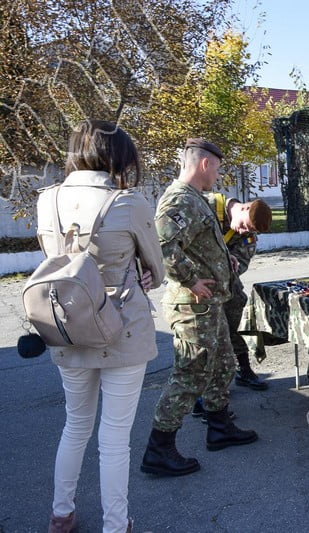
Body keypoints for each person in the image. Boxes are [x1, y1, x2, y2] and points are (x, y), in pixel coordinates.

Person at [37, 120, 165, 533]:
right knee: (114, 438)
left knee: (75, 425)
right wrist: (141, 271)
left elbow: (56, 263)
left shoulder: (47, 200)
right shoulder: (128, 203)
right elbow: (157, 268)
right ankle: (115, 524)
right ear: (120, 157)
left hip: (68, 326)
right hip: (121, 325)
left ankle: (61, 514)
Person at [140, 138, 258, 478]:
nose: (218, 176)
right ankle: (159, 448)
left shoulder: (196, 199)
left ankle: (219, 427)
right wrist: (191, 279)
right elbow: (162, 244)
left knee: (222, 363)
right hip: (192, 305)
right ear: (205, 164)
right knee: (190, 373)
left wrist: (225, 261)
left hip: (210, 304)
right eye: (217, 169)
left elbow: (196, 245)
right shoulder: (180, 198)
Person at [191, 195, 272, 420]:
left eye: (250, 230)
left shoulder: (249, 234)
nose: (244, 231)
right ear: (244, 208)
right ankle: (203, 393)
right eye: (245, 225)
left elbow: (241, 262)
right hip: (197, 285)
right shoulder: (205, 206)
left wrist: (228, 265)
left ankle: (243, 370)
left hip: (228, 283)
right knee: (205, 340)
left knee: (238, 320)